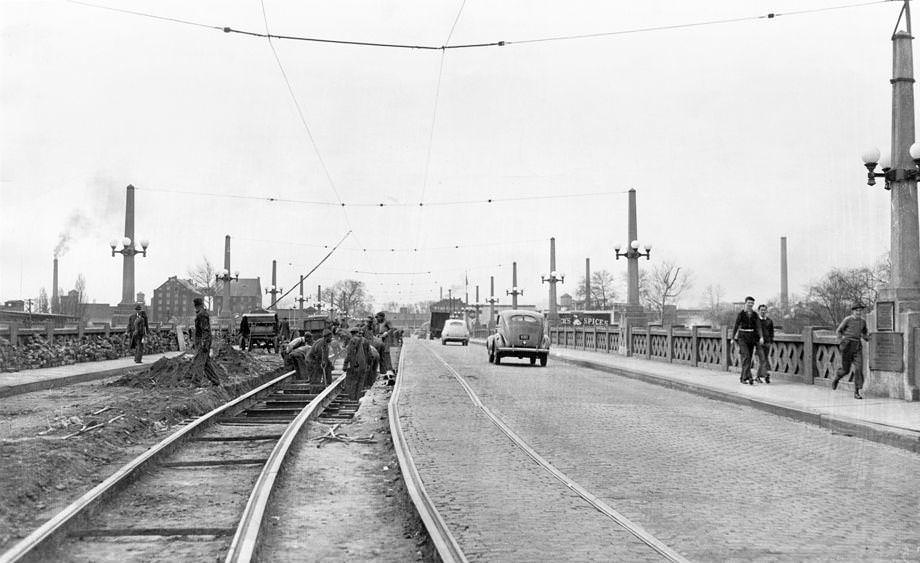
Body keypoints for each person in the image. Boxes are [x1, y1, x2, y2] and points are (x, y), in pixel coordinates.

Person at [834, 303, 869, 399]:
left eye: (860, 311)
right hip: (847, 346)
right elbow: (839, 331)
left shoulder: (863, 322)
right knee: (846, 370)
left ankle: (857, 392)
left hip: (857, 346)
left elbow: (864, 333)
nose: (859, 312)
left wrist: (868, 338)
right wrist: (841, 341)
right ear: (853, 311)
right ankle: (837, 378)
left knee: (859, 368)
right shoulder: (847, 320)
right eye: (857, 311)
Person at [732, 296, 764, 385]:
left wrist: (761, 337)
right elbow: (736, 326)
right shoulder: (741, 314)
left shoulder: (754, 315)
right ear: (745, 303)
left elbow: (758, 326)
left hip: (751, 338)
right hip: (742, 337)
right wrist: (732, 337)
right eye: (749, 303)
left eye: (752, 303)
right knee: (746, 356)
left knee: (749, 357)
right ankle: (745, 377)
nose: (750, 305)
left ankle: (744, 377)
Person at [343, 327, 372, 400]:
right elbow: (369, 354)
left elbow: (349, 354)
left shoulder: (352, 340)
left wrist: (345, 365)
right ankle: (359, 398)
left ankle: (352, 399)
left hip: (355, 365)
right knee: (361, 382)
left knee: (353, 382)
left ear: (352, 333)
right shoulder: (365, 340)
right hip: (363, 365)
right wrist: (368, 364)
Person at [754, 304, 775, 384]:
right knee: (763, 359)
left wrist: (771, 341)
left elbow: (771, 332)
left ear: (766, 311)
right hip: (759, 343)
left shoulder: (769, 321)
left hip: (767, 342)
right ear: (758, 311)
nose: (763, 311)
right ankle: (766, 375)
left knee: (764, 360)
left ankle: (758, 377)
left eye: (764, 310)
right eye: (761, 310)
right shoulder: (756, 320)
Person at [374, 311, 396, 376]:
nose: (377, 319)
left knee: (386, 353)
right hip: (379, 338)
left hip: (385, 338)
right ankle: (382, 370)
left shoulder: (387, 322)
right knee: (379, 354)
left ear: (382, 317)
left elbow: (392, 329)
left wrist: (386, 333)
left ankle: (389, 369)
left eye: (378, 317)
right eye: (376, 318)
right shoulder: (377, 323)